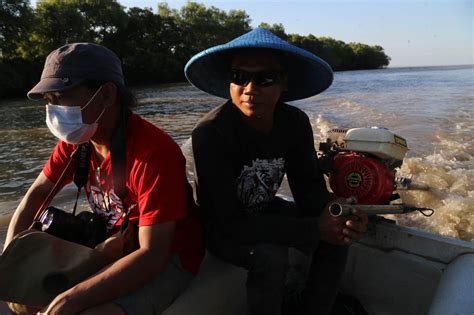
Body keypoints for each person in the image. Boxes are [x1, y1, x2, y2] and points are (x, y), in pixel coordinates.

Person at [4, 43, 203, 314]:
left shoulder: (154, 153)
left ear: (107, 94)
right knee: (22, 299)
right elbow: (36, 195)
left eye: (61, 97)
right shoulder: (76, 142)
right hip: (111, 246)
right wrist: (10, 263)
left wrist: (71, 299)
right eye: (49, 101)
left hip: (170, 258)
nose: (54, 111)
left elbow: (153, 255)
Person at [185, 28, 368, 315]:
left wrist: (338, 212)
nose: (249, 88)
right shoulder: (210, 133)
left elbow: (309, 192)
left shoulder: (294, 122)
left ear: (283, 82)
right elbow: (227, 222)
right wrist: (313, 228)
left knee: (337, 233)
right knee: (270, 256)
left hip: (263, 210)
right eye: (239, 77)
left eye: (264, 78)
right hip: (218, 227)